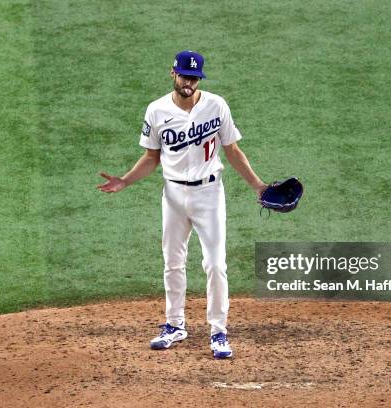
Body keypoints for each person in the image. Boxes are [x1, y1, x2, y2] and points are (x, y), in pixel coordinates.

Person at [97, 50, 266, 359]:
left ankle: (218, 331)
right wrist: (124, 181)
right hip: (173, 195)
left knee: (215, 264)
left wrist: (258, 185)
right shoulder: (156, 110)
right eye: (184, 76)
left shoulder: (217, 106)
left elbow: (233, 150)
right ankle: (175, 325)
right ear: (172, 73)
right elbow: (151, 158)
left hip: (209, 195)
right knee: (172, 263)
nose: (189, 82)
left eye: (194, 77)